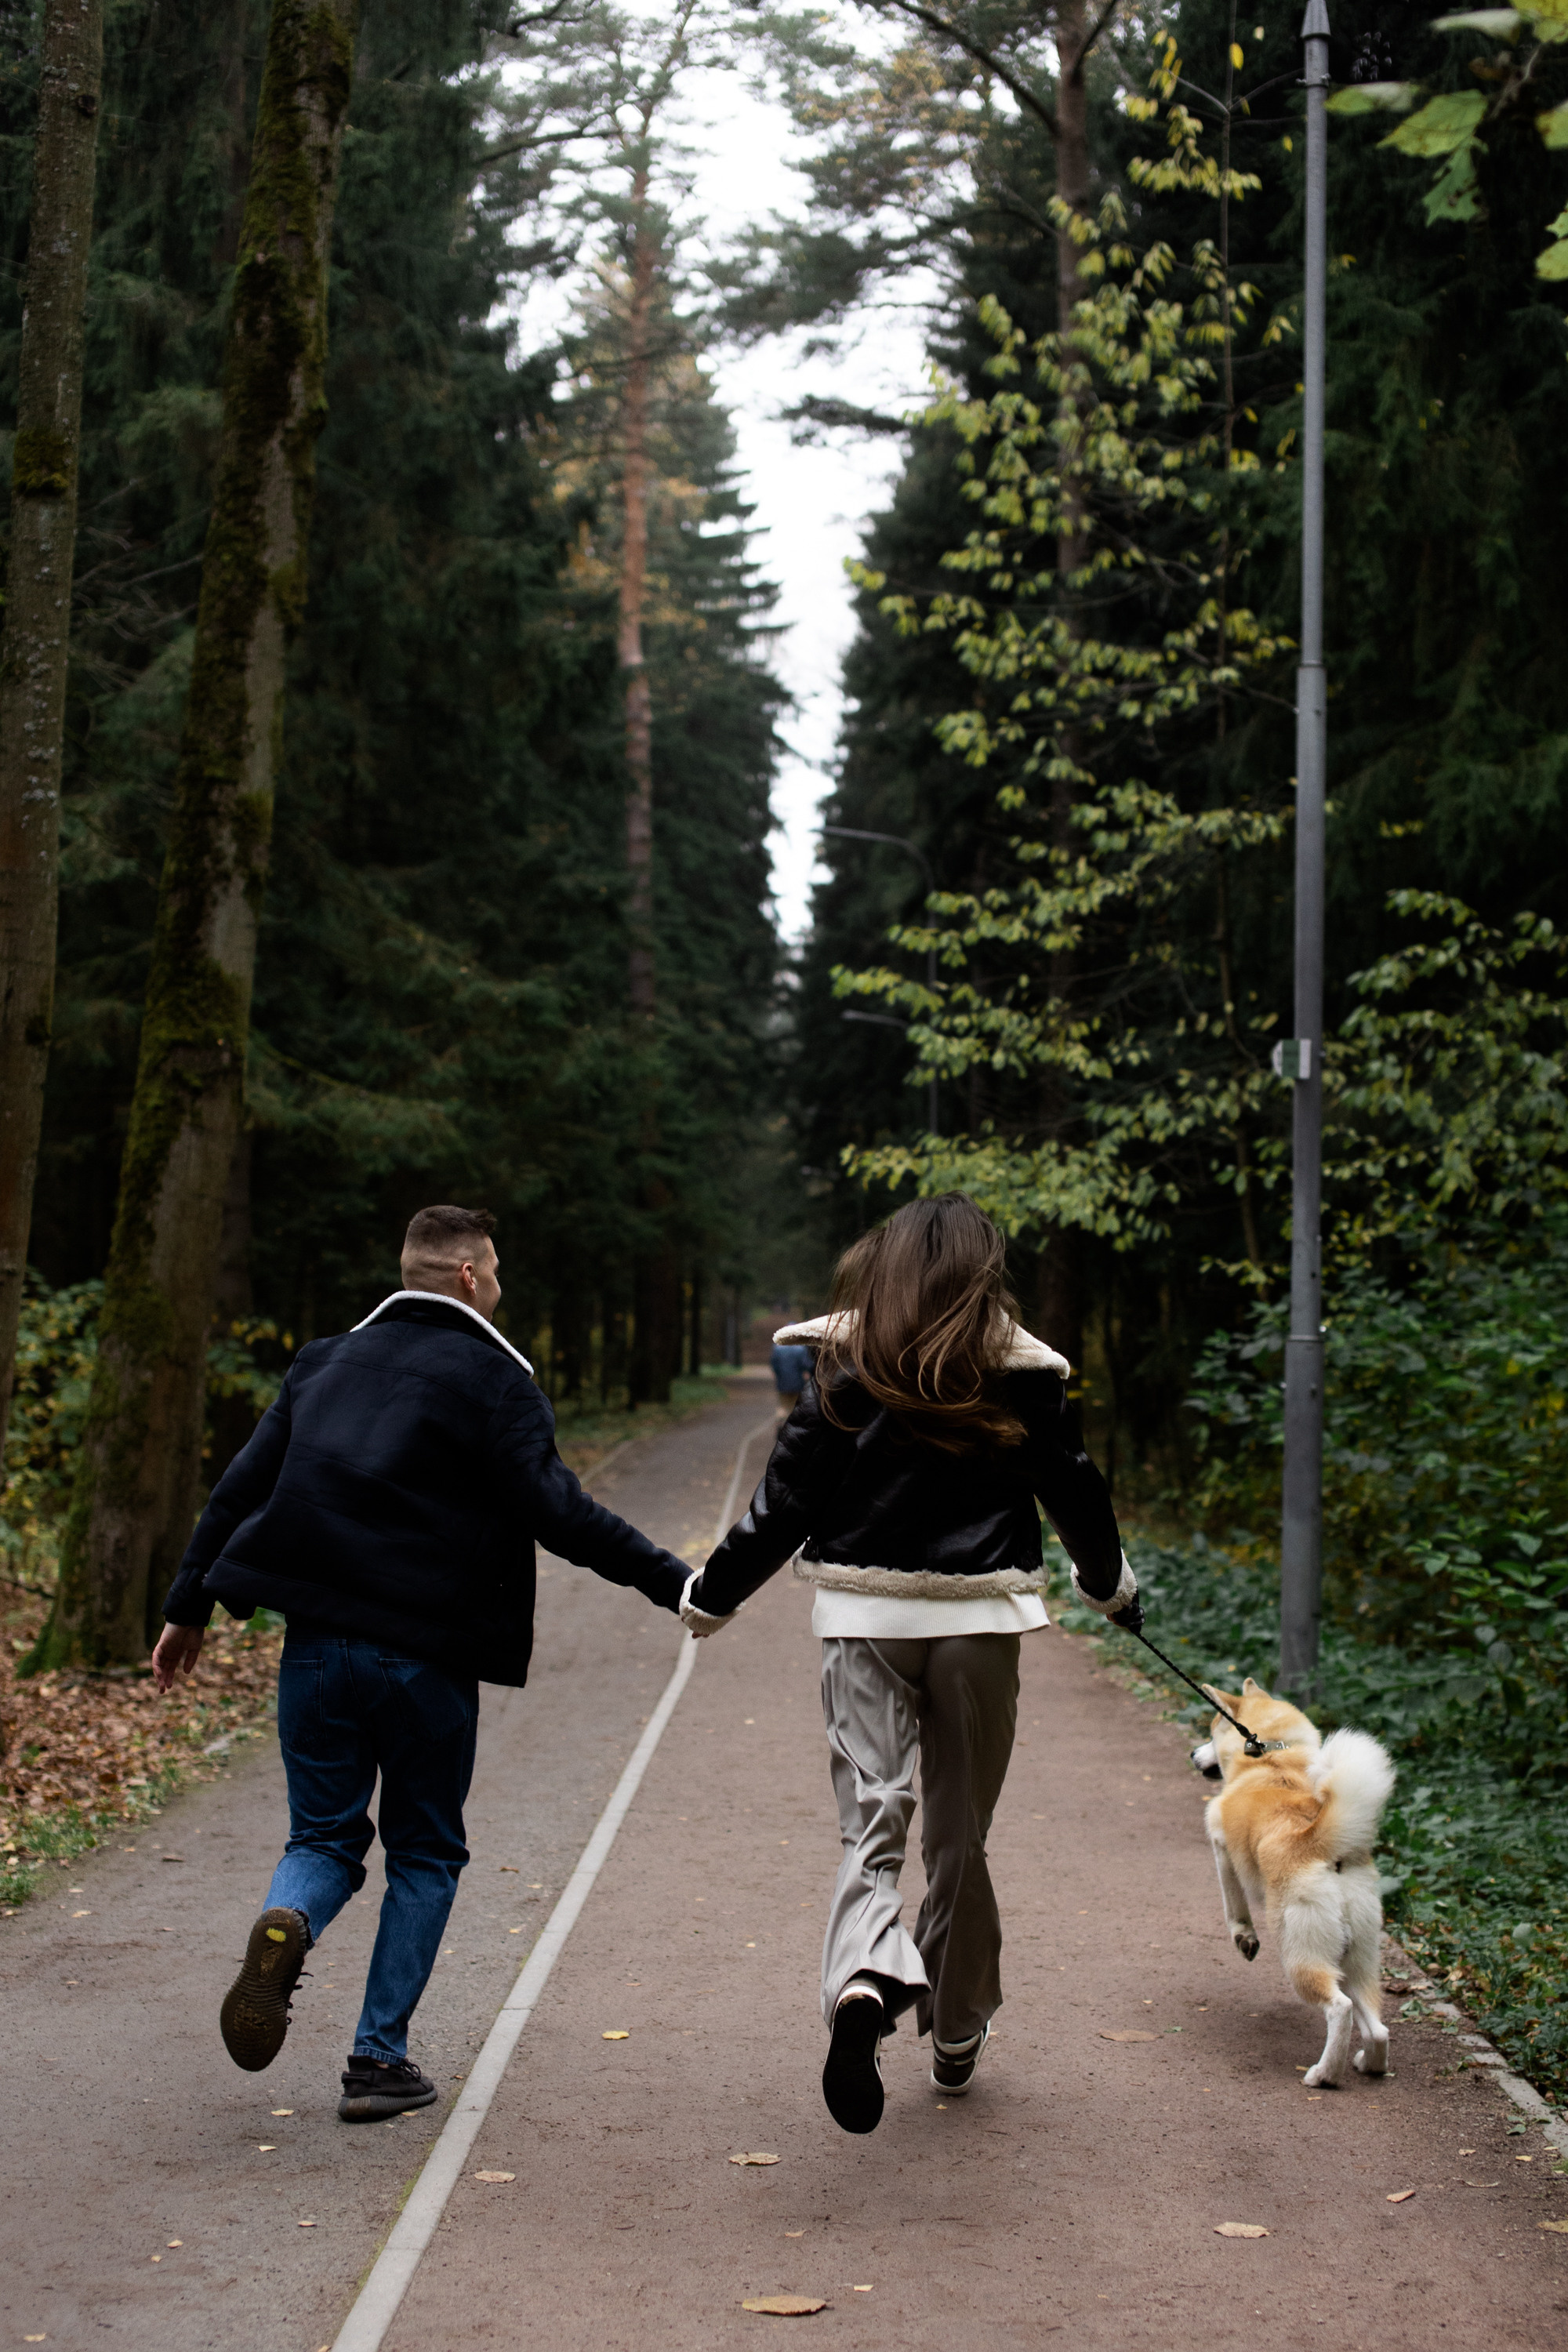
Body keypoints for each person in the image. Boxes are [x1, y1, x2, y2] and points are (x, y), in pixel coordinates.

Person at [152, 1205, 691, 2122]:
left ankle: (291, 1923)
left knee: (321, 1839)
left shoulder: (321, 1363)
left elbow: (240, 1485)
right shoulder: (496, 1380)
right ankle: (376, 2061)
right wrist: (675, 1584)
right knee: (426, 1852)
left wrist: (187, 1606)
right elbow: (558, 1512)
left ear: (408, 1271)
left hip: (315, 1650)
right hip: (424, 1666)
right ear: (472, 1278)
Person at [680, 1194, 1140, 2135]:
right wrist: (1108, 1587)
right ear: (982, 1273)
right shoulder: (1023, 1373)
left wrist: (712, 1596)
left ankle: (861, 1983)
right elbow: (1074, 1487)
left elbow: (785, 1502)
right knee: (959, 1838)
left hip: (860, 1617)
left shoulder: (845, 1369)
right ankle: (957, 2026)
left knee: (871, 1825)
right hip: (980, 1621)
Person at [770, 1336, 812, 1414]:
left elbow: (774, 1365)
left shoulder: (777, 1348)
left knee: (784, 1405)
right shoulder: (801, 1349)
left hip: (782, 1382)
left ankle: (782, 1420)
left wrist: (777, 1375)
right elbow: (807, 1365)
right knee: (797, 1405)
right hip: (798, 1382)